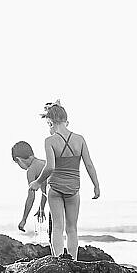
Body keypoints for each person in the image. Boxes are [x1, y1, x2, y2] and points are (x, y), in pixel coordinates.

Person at [29, 100, 100, 260]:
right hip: (74, 189)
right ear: (65, 119)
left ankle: (59, 261)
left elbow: (50, 167)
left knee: (58, 227)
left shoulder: (50, 141)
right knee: (72, 228)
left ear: (51, 122)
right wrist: (96, 185)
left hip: (55, 189)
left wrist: (38, 182)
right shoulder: (79, 139)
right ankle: (74, 261)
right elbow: (89, 164)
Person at [11, 141, 51, 243]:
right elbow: (46, 190)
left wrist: (24, 219)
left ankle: (57, 256)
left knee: (54, 231)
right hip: (67, 191)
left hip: (55, 198)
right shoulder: (44, 163)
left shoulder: (31, 170)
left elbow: (31, 197)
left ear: (18, 160)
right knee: (64, 228)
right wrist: (41, 208)